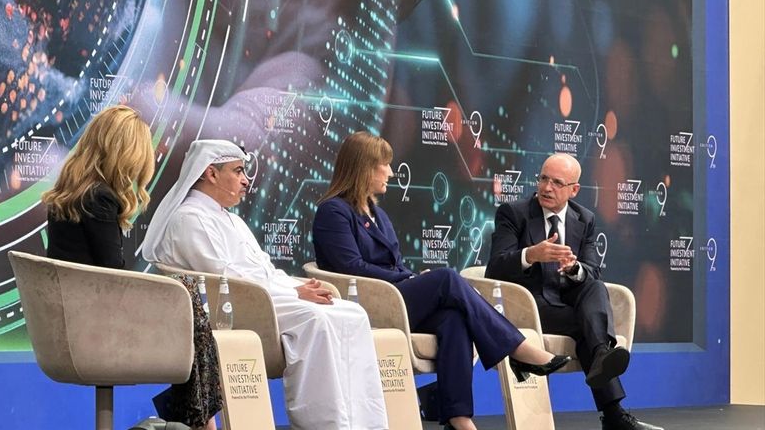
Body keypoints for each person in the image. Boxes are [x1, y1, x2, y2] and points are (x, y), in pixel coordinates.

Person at [312, 131, 570, 430]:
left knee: (453, 319)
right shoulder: (333, 211)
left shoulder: (377, 213)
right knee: (446, 277)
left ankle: (459, 419)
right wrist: (408, 278)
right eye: (385, 165)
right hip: (367, 304)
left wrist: (410, 276)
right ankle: (517, 349)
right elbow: (350, 268)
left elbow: (393, 262)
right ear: (364, 168)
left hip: (395, 297)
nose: (391, 172)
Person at [141, 139, 388, 430]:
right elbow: (227, 278)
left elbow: (265, 270)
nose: (246, 181)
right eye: (238, 171)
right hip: (234, 307)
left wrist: (295, 286)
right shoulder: (189, 219)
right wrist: (294, 292)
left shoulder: (232, 220)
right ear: (211, 173)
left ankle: (366, 424)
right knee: (316, 319)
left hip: (265, 296)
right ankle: (326, 424)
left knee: (353, 314)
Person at [42, 105, 222, 430]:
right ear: (124, 154)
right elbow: (115, 275)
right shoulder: (100, 198)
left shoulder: (69, 196)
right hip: (98, 328)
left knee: (189, 309)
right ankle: (200, 422)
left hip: (74, 321)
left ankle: (193, 418)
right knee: (190, 303)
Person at [487, 153, 663, 430]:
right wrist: (530, 255)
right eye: (543, 179)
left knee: (593, 286)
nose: (547, 188)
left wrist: (574, 269)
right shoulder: (514, 213)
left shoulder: (584, 218)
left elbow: (592, 271)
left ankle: (602, 354)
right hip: (530, 307)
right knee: (590, 329)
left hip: (568, 305)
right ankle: (613, 411)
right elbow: (495, 268)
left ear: (574, 190)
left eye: (557, 183)